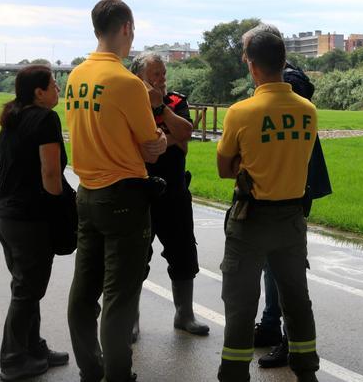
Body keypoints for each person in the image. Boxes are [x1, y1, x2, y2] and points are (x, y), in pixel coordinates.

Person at [66, 0, 167, 382]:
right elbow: (150, 147)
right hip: (124, 196)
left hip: (86, 194)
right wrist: (156, 139)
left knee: (83, 292)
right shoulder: (127, 83)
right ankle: (118, 375)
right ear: (126, 28)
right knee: (120, 297)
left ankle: (91, 369)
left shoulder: (75, 77)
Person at [216, 30, 320, 382]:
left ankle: (233, 373)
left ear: (251, 64)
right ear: (283, 61)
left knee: (240, 302)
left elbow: (223, 167)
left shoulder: (240, 113)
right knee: (296, 299)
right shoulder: (308, 111)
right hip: (291, 220)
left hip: (251, 219)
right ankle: (307, 372)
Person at [241, 25, 332, 369]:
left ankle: (289, 341)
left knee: (283, 267)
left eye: (248, 53)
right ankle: (269, 327)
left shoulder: (287, 85)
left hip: (290, 188)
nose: (245, 60)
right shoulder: (289, 82)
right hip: (288, 186)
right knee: (272, 263)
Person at [0, 65, 71, 381]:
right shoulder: (45, 119)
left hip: (5, 216)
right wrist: (59, 211)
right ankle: (12, 359)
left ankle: (33, 347)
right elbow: (50, 173)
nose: (58, 89)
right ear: (39, 92)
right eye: (53, 84)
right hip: (29, 218)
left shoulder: (12, 118)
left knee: (26, 284)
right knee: (28, 289)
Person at [130, 52, 210, 338]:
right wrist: (169, 140)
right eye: (154, 74)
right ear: (139, 77)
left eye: (163, 73)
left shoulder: (175, 101)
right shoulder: (129, 101)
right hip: (140, 191)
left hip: (175, 190)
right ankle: (132, 319)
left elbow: (186, 132)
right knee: (136, 256)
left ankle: (184, 314)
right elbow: (131, 144)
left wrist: (160, 108)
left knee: (184, 252)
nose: (161, 79)